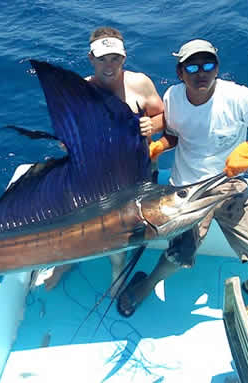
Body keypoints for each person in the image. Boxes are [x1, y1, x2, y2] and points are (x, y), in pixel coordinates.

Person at [117, 39, 248, 317]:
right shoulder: (173, 96)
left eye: (208, 64)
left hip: (229, 186)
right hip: (186, 191)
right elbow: (174, 132)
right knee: (177, 257)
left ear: (217, 68)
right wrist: (161, 145)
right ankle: (146, 284)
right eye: (192, 67)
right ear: (180, 73)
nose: (201, 72)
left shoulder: (239, 96)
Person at [44, 26, 164, 294]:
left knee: (122, 230)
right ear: (90, 58)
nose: (109, 66)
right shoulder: (80, 92)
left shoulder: (141, 83)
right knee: (78, 225)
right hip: (97, 176)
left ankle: (116, 269)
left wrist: (151, 126)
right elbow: (65, 139)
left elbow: (163, 116)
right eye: (102, 59)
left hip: (137, 174)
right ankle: (66, 263)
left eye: (115, 58)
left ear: (124, 57)